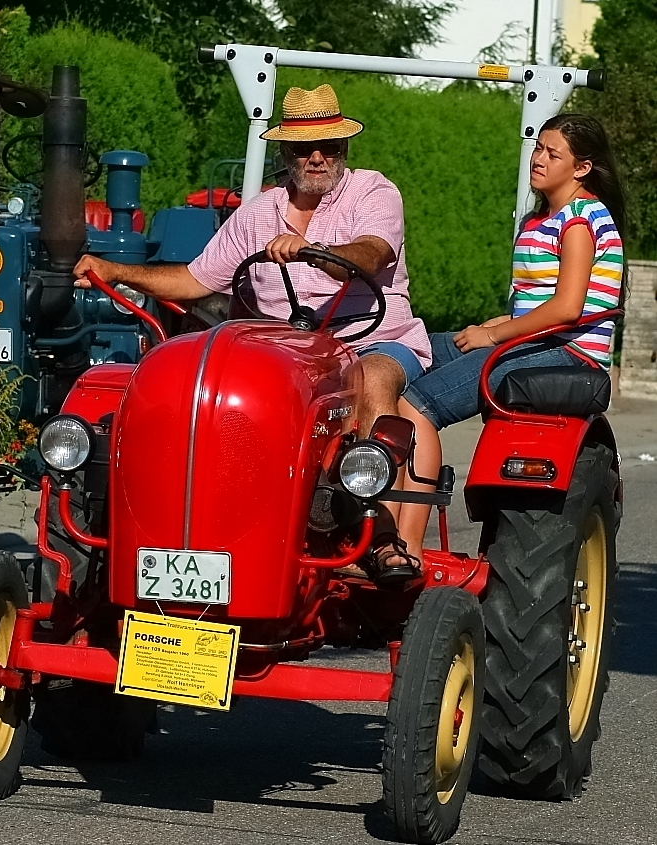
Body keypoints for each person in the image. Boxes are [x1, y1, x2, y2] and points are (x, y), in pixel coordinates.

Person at [74, 84, 430, 581]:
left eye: (331, 146)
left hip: (371, 337)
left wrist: (314, 249)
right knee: (220, 388)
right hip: (291, 350)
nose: (320, 157)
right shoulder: (258, 213)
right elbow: (196, 279)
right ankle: (215, 525)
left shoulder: (373, 192)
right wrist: (117, 271)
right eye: (307, 148)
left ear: (345, 149)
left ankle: (381, 531)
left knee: (371, 379)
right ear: (287, 153)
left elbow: (371, 254)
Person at [395, 112, 625, 571]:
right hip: (534, 340)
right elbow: (531, 305)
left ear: (581, 168)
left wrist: (492, 335)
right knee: (406, 349)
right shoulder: (542, 219)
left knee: (417, 403)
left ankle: (405, 546)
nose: (538, 159)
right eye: (538, 148)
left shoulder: (580, 219)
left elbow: (566, 309)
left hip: (565, 352)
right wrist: (490, 327)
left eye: (551, 153)